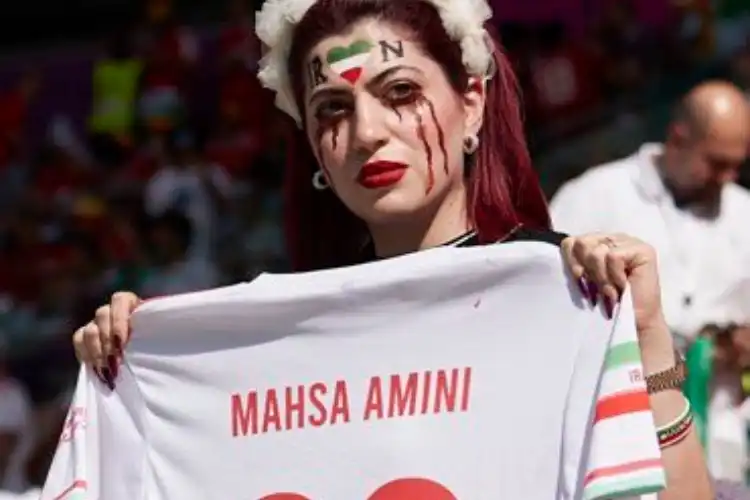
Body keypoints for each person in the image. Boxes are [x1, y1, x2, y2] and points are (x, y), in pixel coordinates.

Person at [71, 0, 711, 497]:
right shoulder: (273, 337)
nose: (365, 134)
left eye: (399, 92)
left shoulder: (567, 292)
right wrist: (143, 356)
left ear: (473, 103)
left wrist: (646, 338)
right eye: (331, 109)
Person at [550, 81, 750, 482]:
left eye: (735, 165)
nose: (726, 177)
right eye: (715, 163)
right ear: (679, 138)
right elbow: (551, 310)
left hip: (722, 433)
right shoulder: (593, 197)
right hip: (619, 426)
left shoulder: (744, 213)